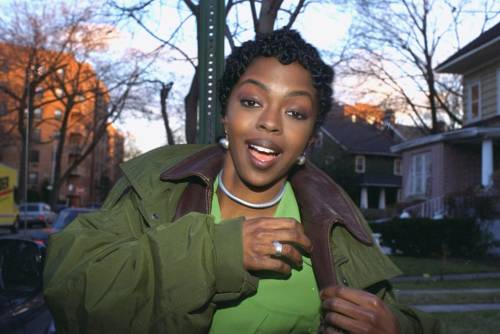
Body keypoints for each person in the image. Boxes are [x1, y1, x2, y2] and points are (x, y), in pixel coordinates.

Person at [43, 29, 441, 333]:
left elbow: (390, 314)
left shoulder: (334, 219)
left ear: (311, 137)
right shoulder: (156, 187)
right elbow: (73, 291)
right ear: (225, 114)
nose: (270, 120)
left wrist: (398, 328)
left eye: (296, 112)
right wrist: (218, 253)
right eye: (252, 101)